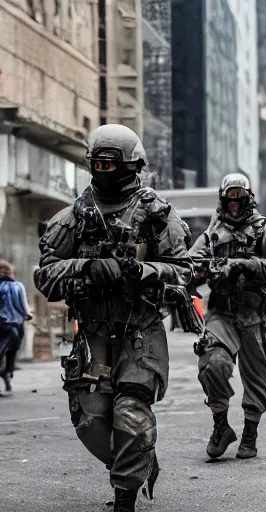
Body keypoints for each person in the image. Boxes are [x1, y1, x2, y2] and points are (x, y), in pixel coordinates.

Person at [34, 124, 192, 512]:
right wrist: (87, 269)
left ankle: (125, 496)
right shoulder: (73, 217)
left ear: (133, 165)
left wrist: (143, 272)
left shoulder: (156, 214)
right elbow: (45, 275)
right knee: (91, 422)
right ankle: (137, 461)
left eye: (112, 163)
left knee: (131, 415)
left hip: (140, 330)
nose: (104, 170)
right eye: (98, 163)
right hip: (92, 334)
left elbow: (183, 270)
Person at [190, 173, 266, 461]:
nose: (234, 203)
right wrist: (204, 270)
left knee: (257, 379)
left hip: (253, 314)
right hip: (221, 313)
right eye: (230, 197)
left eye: (240, 197)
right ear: (223, 199)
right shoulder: (212, 234)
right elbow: (188, 265)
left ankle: (250, 433)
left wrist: (246, 265)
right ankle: (221, 425)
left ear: (248, 198)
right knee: (212, 364)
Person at [0, 260, 32, 395]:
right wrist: (28, 315)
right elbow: (24, 307)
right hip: (14, 326)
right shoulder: (17, 286)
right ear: (10, 273)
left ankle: (6, 375)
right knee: (11, 353)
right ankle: (7, 372)